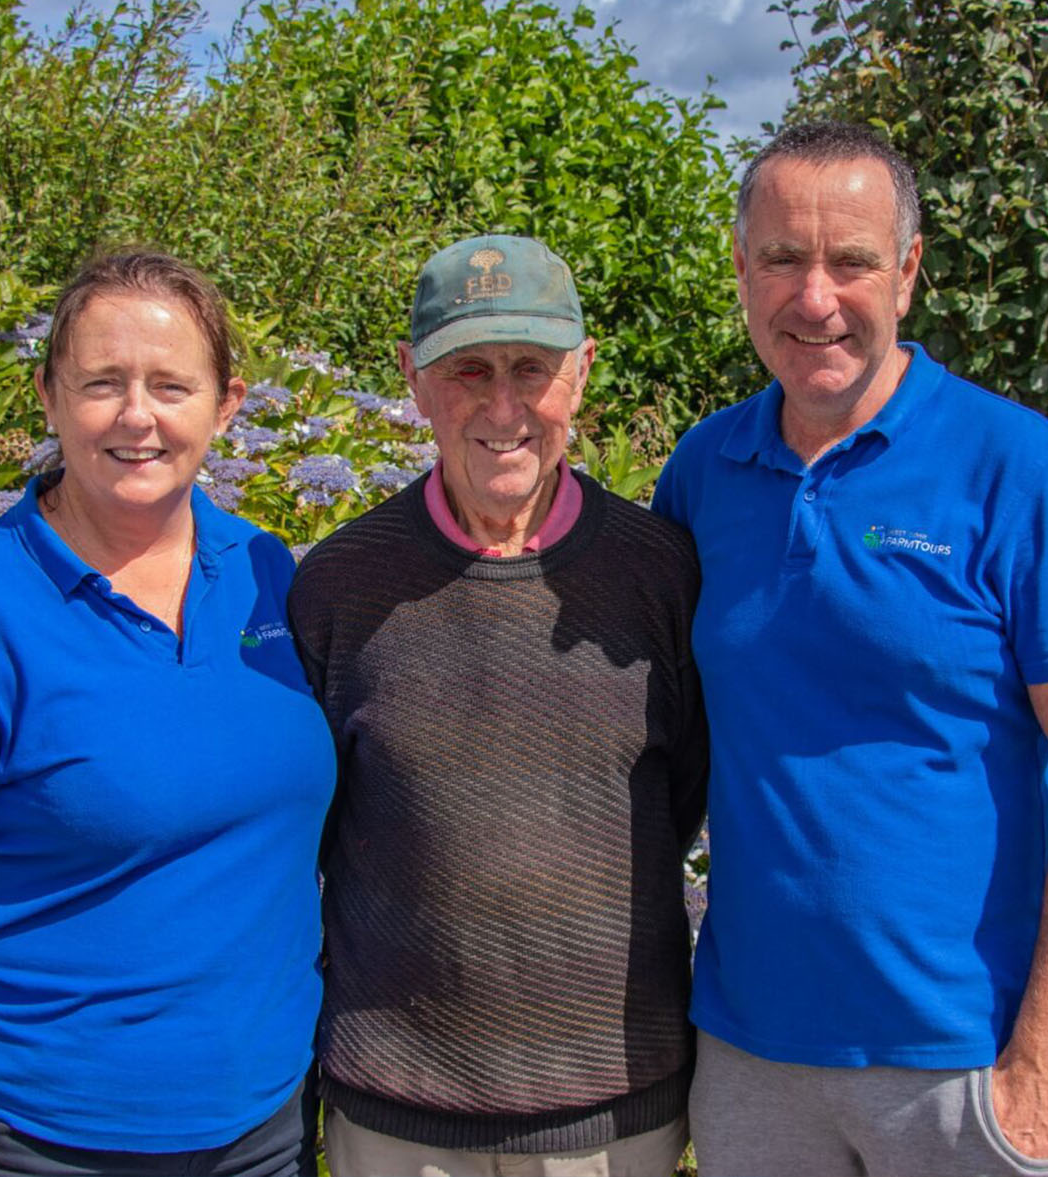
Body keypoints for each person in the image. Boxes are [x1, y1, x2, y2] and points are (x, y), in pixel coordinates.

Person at [651, 121, 1048, 1177]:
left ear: (910, 271)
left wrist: (1043, 1061)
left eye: (852, 262)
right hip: (751, 1052)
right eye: (785, 260)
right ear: (743, 270)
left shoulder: (1017, 469)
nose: (816, 299)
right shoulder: (707, 469)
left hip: (963, 1064)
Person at [0, 252, 336, 1177]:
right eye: (101, 383)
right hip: (41, 1141)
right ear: (49, 397)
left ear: (227, 406)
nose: (136, 416)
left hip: (264, 1123)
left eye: (170, 385)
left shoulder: (270, 573)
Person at [288, 234, 708, 1177]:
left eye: (533, 368)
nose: (503, 406)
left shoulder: (661, 574)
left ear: (583, 373)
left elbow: (676, 800)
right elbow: (317, 826)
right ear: (411, 378)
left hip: (613, 1114)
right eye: (467, 369)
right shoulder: (337, 586)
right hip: (395, 1116)